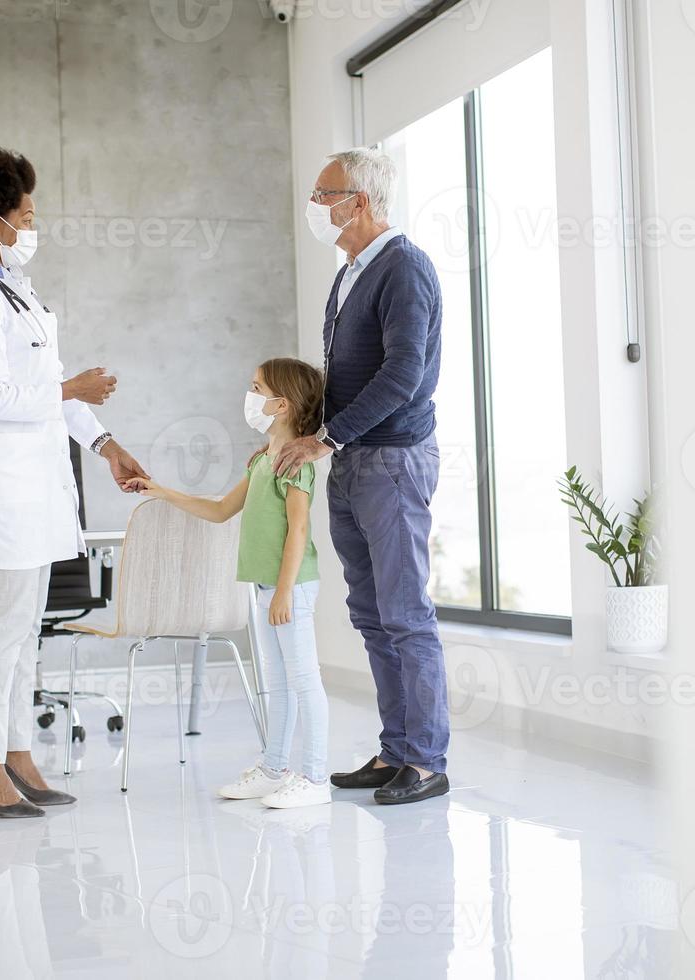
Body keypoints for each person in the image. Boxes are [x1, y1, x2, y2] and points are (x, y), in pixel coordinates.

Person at [0, 148, 148, 818]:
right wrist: (68, 386)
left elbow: (51, 395)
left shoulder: (17, 293)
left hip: (35, 486)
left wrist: (107, 444)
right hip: (2, 490)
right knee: (4, 627)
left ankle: (18, 751)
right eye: (25, 215)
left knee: (23, 626)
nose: (34, 225)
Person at [274, 148, 449, 805]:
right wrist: (305, 432)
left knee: (405, 614)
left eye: (326, 194)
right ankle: (397, 750)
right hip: (350, 460)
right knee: (373, 614)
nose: (316, 206)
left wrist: (329, 437)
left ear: (360, 201)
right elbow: (346, 371)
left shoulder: (405, 268)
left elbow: (404, 375)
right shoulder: (350, 271)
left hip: (393, 462)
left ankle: (426, 760)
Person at [126, 358, 332, 809]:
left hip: (289, 589)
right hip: (264, 587)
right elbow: (221, 510)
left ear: (280, 405)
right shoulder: (263, 461)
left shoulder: (296, 463)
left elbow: (299, 531)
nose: (249, 394)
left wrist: (283, 591)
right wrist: (161, 490)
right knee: (276, 684)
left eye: (256, 388)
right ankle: (274, 768)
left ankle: (316, 778)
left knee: (303, 679)